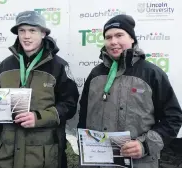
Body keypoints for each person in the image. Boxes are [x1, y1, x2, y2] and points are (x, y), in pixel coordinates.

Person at [77, 14, 182, 167]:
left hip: (139, 163)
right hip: (97, 163)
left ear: (132, 38)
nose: (113, 42)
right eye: (108, 37)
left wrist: (145, 145)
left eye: (119, 35)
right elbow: (83, 117)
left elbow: (173, 118)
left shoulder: (151, 74)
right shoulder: (95, 74)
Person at [0, 10, 79, 168]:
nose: (26, 36)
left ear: (43, 33)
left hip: (43, 156)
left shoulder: (59, 66)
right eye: (22, 31)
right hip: (6, 155)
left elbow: (70, 105)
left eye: (32, 30)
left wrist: (39, 117)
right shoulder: (5, 66)